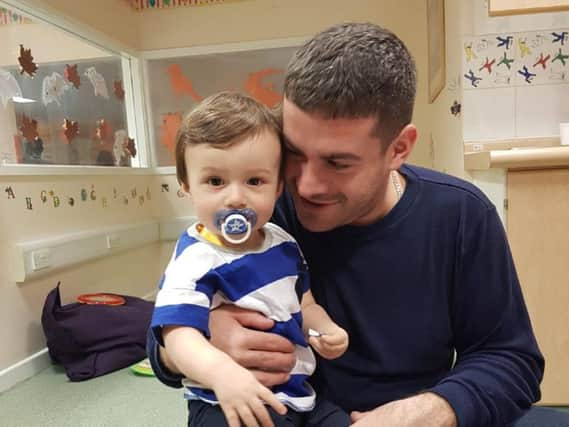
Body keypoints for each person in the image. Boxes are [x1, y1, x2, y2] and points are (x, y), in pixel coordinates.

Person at [148, 23, 569, 427]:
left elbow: (512, 361)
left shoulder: (461, 215)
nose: (306, 186)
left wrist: (429, 412)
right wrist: (204, 339)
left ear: (398, 148)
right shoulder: (264, 206)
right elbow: (162, 333)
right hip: (285, 410)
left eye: (338, 163)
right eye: (294, 153)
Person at [150, 91, 350, 427]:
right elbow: (177, 335)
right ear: (186, 186)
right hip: (225, 401)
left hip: (299, 395)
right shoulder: (196, 257)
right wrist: (222, 374)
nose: (235, 197)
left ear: (276, 188)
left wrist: (324, 329)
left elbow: (305, 304)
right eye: (215, 181)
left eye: (254, 181)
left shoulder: (284, 243)